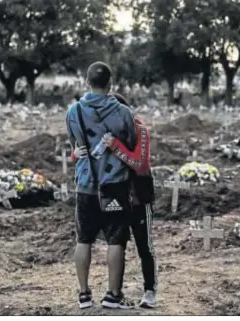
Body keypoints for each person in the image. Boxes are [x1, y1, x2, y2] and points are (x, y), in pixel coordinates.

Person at [72, 93, 158, 308]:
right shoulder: (104, 132)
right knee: (116, 243)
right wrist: (75, 154)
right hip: (112, 196)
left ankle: (149, 290)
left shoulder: (140, 131)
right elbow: (86, 154)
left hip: (137, 198)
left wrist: (117, 146)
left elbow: (140, 165)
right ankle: (114, 294)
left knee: (143, 246)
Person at [65, 62, 137, 310]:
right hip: (114, 184)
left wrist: (78, 152)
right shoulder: (124, 113)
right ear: (111, 84)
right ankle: (113, 295)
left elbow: (74, 145)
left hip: (85, 184)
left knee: (83, 239)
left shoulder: (73, 112)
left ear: (87, 82)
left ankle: (84, 295)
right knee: (116, 240)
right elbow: (131, 145)